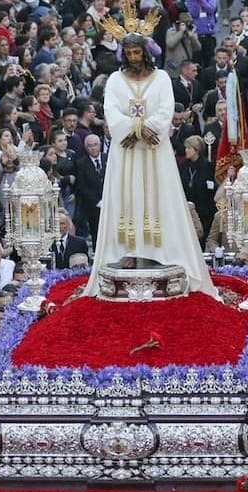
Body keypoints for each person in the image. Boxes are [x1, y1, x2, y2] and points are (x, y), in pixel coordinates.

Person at [81, 21, 217, 299]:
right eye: (128, 53)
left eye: (137, 52)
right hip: (127, 150)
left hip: (154, 150)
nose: (133, 57)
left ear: (145, 52)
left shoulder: (162, 78)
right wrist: (132, 130)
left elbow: (167, 107)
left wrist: (145, 129)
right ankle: (128, 252)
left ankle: (161, 249)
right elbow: (111, 110)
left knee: (159, 196)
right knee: (126, 197)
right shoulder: (116, 80)